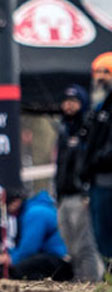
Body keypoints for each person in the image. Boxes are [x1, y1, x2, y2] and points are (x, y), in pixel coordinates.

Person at [54, 84, 102, 281]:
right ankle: (80, 280)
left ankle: (91, 281)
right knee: (70, 245)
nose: (69, 106)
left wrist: (86, 190)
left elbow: (89, 162)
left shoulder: (88, 129)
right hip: (64, 196)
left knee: (85, 244)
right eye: (66, 101)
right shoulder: (64, 131)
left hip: (80, 195)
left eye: (74, 101)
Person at [0, 190, 74, 281]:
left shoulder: (34, 213)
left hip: (58, 260)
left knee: (18, 270)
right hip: (52, 258)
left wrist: (11, 259)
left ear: (16, 202)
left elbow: (30, 248)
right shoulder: (30, 212)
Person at [85, 52, 112, 275]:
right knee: (100, 235)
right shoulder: (98, 109)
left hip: (107, 179)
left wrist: (97, 159)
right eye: (98, 72)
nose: (101, 77)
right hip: (97, 182)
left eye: (107, 72)